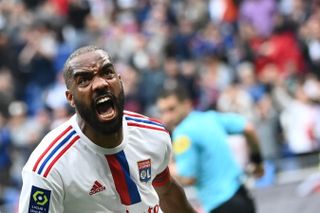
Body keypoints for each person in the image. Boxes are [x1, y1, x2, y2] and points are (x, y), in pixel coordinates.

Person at [18, 45, 195, 213]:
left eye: (107, 73)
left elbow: (166, 191)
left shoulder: (153, 134)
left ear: (120, 81)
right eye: (84, 80)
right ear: (70, 98)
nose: (100, 84)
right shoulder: (48, 169)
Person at [156, 86, 264, 213]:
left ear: (186, 104)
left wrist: (161, 168)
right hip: (243, 195)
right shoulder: (210, 117)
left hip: (221, 205)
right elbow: (249, 128)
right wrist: (257, 161)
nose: (167, 117)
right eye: (162, 112)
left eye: (171, 109)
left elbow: (188, 177)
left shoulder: (182, 133)